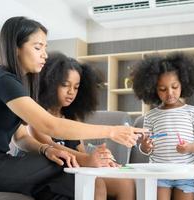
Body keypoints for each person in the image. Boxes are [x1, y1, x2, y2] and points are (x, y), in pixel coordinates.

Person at [0, 16, 144, 199]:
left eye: (45, 48)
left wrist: (46, 149)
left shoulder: (18, 85)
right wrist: (112, 131)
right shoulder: (3, 80)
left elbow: (21, 137)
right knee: (62, 162)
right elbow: (49, 125)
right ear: (16, 48)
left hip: (0, 163)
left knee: (81, 182)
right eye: (38, 47)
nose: (44, 55)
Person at [30, 51, 135, 200]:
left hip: (75, 170)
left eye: (76, 87)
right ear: (50, 84)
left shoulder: (73, 117)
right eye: (65, 85)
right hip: (50, 173)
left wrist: (101, 158)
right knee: (96, 184)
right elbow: (48, 145)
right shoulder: (37, 114)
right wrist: (89, 159)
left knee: (125, 183)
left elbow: (80, 150)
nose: (71, 92)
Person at [131, 52, 194, 200]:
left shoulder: (192, 112)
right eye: (162, 89)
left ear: (183, 83)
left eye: (174, 87)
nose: (170, 93)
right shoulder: (151, 116)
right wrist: (145, 146)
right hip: (158, 173)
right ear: (153, 90)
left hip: (186, 172)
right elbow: (145, 148)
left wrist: (190, 147)